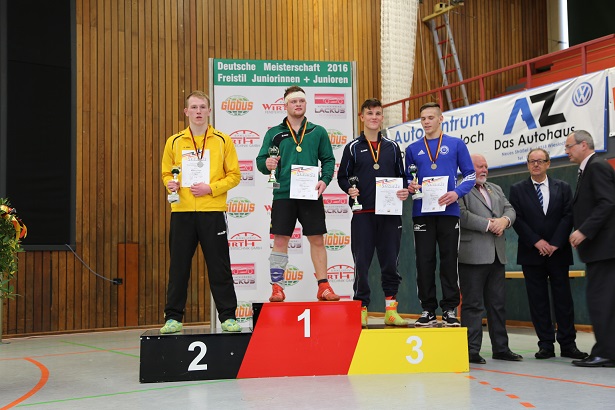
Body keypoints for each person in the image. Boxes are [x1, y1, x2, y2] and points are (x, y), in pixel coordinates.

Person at [160, 90, 241, 334]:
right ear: (186, 111)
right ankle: (173, 318)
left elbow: (234, 175)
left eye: (202, 107)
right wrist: (169, 184)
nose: (198, 111)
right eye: (193, 107)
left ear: (209, 111)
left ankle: (228, 317)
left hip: (212, 211)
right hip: (182, 211)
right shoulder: (174, 141)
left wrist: (211, 188)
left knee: (219, 267)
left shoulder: (223, 140)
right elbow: (166, 173)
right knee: (179, 267)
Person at [256, 85, 340, 302]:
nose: (298, 104)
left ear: (306, 103)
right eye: (294, 101)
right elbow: (261, 162)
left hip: (310, 193)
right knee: (280, 239)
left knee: (317, 239)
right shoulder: (274, 133)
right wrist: (267, 164)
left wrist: (324, 180)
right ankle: (277, 287)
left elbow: (328, 160)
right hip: (283, 194)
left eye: (301, 101)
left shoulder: (317, 131)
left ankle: (323, 286)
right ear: (285, 105)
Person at [509, 148, 588, 360]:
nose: (536, 164)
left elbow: (568, 216)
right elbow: (517, 219)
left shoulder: (563, 187)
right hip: (531, 253)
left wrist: (554, 243)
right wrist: (536, 241)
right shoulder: (517, 189)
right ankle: (545, 345)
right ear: (527, 164)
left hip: (558, 253)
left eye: (540, 161)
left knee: (564, 300)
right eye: (531, 161)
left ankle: (568, 344)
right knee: (538, 301)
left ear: (548, 164)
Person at [337, 98, 409, 327]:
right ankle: (361, 309)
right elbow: (342, 177)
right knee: (362, 264)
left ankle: (391, 310)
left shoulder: (392, 147)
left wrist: (404, 190)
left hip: (390, 214)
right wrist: (349, 189)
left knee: (390, 263)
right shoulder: (352, 147)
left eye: (378, 113)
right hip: (363, 213)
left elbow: (402, 176)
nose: (374, 117)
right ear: (362, 117)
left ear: (382, 118)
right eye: (369, 113)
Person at [405, 102, 475, 327]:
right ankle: (427, 309)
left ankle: (449, 309)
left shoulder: (456, 144)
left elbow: (470, 175)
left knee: (449, 260)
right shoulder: (412, 149)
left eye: (431, 117)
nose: (426, 122)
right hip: (422, 211)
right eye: (423, 118)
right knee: (424, 261)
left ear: (441, 119)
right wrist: (410, 186)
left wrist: (456, 193)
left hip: (449, 211)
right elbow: (407, 179)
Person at [458, 154, 522, 364]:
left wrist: (504, 221)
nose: (484, 170)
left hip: (496, 255)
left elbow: (510, 209)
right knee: (473, 305)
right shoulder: (459, 188)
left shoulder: (496, 189)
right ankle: (471, 350)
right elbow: (461, 214)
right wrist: (488, 225)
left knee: (497, 304)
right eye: (480, 166)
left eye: (486, 166)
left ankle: (501, 349)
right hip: (472, 256)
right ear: (468, 168)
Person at [566, 130, 615, 368]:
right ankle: (607, 350)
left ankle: (605, 352)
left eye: (569, 146)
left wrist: (583, 231)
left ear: (583, 145)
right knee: (605, 302)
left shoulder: (596, 167)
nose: (566, 151)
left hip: (605, 248)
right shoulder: (589, 169)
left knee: (600, 301)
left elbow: (608, 202)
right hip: (602, 249)